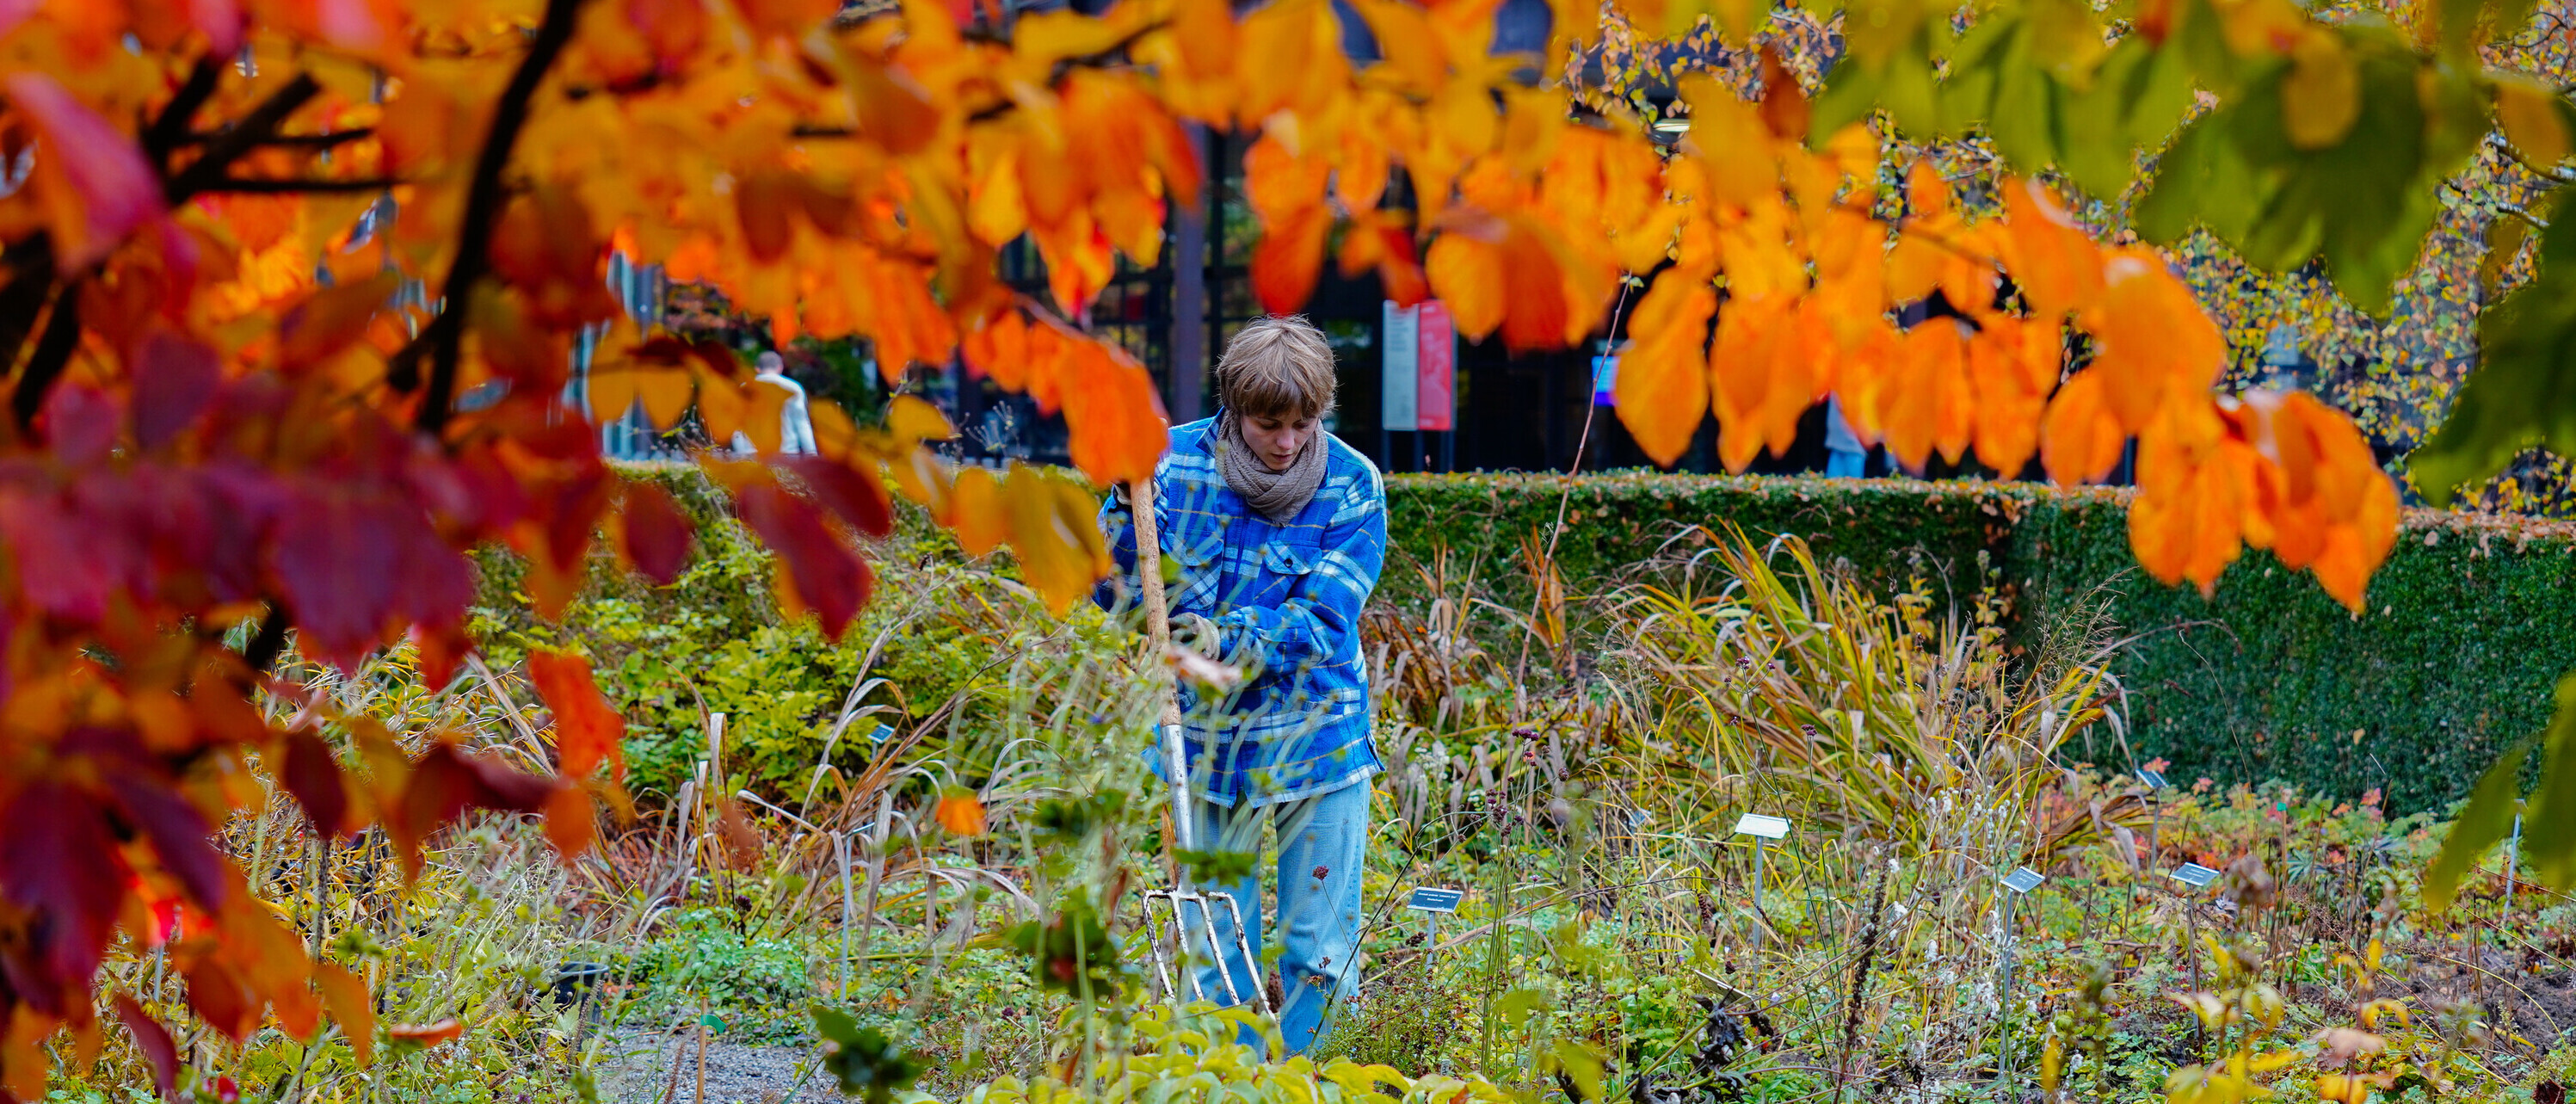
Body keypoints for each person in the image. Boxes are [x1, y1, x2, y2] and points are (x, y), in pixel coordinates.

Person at [1095, 316, 1385, 1055]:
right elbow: (1119, 589)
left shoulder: (1353, 485)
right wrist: (1128, 508)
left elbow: (1323, 621)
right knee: (1213, 958)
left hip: (1317, 743)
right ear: (1232, 408)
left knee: (1320, 954)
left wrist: (1227, 637)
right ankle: (1226, 1085)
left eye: (1302, 423)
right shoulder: (1170, 465)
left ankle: (1305, 1087)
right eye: (1267, 424)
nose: (1286, 441)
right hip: (1207, 746)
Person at [729, 350, 818, 455]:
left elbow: (737, 426)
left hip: (753, 454)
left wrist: (742, 453)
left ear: (757, 369)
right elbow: (802, 423)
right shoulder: (793, 388)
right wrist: (811, 452)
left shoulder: (744, 388)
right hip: (787, 453)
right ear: (780, 367)